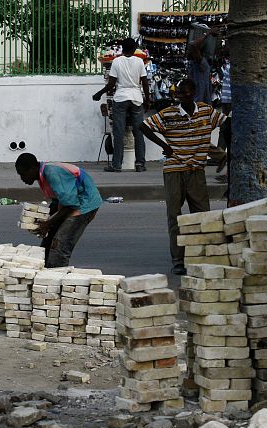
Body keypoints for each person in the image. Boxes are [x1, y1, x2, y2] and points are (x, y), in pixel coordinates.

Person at [140, 79, 228, 275]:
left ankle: (202, 255)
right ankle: (178, 260)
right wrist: (164, 146)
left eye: (186, 93)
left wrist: (223, 151)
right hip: (174, 169)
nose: (183, 96)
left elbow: (226, 122)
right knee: (175, 216)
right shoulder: (169, 113)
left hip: (197, 170)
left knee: (203, 215)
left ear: (194, 92)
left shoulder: (206, 111)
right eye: (180, 94)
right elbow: (144, 126)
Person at [15, 153, 102, 267]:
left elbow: (71, 205)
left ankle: (57, 278)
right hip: (70, 204)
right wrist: (43, 218)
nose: (22, 179)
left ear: (33, 168)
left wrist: (48, 223)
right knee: (48, 240)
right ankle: (43, 270)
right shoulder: (43, 174)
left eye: (23, 174)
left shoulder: (51, 173)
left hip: (84, 204)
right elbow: (57, 201)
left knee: (59, 245)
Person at [92, 38, 150, 172]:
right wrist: (147, 99)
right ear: (135, 48)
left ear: (122, 48)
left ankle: (116, 165)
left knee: (119, 133)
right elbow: (145, 82)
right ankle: (140, 163)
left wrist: (99, 93)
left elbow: (111, 84)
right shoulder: (139, 61)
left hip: (121, 98)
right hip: (136, 98)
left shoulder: (117, 61)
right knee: (138, 132)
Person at [186, 23, 218, 104]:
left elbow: (193, 45)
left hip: (199, 105)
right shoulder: (195, 63)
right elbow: (193, 47)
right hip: (198, 104)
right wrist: (208, 33)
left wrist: (208, 33)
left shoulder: (203, 64)